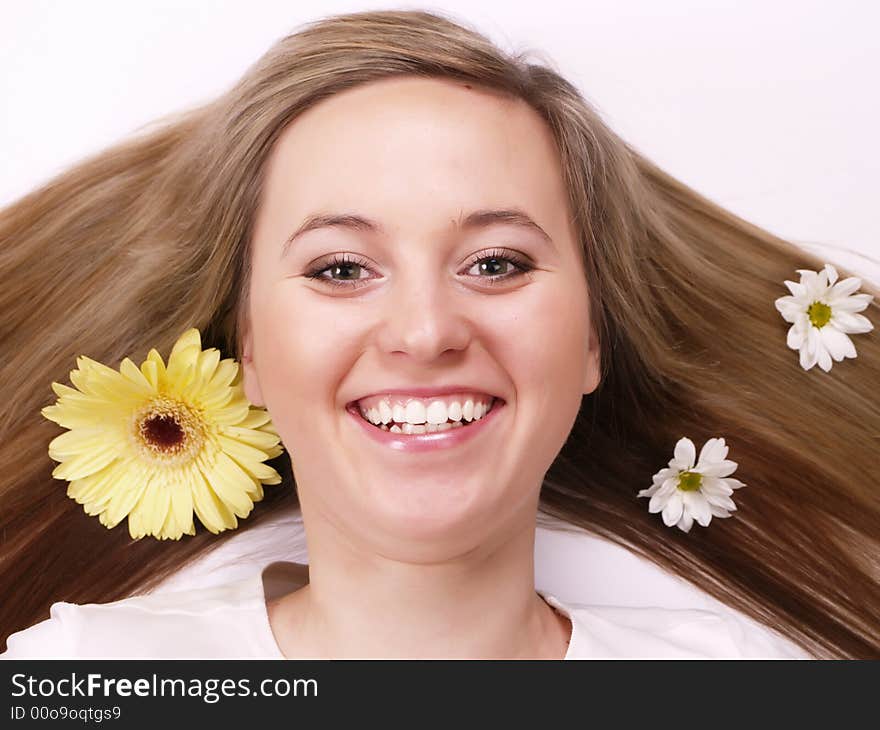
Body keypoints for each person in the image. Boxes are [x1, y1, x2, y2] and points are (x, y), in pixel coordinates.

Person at [1, 9, 877, 659]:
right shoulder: (92, 677)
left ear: (591, 342)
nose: (424, 332)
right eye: (340, 269)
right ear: (251, 353)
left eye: (496, 264)